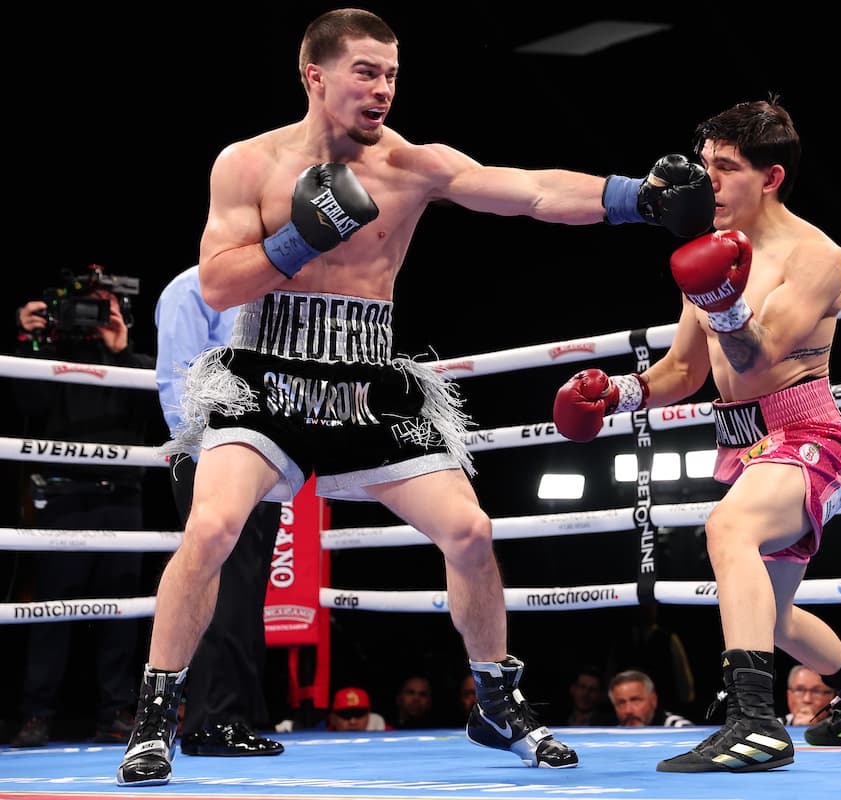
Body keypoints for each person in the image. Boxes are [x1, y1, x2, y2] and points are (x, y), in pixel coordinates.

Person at [116, 7, 714, 787]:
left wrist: (637, 197)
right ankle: (156, 719)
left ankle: (497, 700)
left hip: (368, 383)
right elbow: (219, 280)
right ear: (315, 75)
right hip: (266, 375)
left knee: (469, 530)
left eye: (393, 74)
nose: (383, 89)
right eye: (366, 71)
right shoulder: (247, 164)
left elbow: (528, 191)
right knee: (213, 526)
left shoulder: (411, 164)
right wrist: (300, 236)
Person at [553, 96, 841, 773]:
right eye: (704, 165)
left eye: (724, 168)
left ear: (770, 177)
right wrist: (617, 394)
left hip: (808, 437)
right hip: (746, 446)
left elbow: (762, 354)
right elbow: (686, 371)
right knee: (770, 619)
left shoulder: (815, 255)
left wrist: (720, 297)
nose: (705, 181)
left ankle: (754, 723)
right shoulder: (712, 251)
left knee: (728, 530)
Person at [9, 266, 156, 748]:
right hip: (64, 494)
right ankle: (36, 714)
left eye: (104, 305)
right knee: (52, 612)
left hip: (122, 496)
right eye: (86, 305)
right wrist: (35, 339)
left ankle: (116, 712)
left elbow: (160, 409)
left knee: (120, 615)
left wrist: (121, 350)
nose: (92, 315)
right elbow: (27, 398)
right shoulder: (50, 353)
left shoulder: (131, 359)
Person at [154, 265, 285, 758]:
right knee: (219, 585)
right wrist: (206, 452)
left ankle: (236, 716)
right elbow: (178, 380)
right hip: (208, 454)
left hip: (265, 455)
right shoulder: (189, 289)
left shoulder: (270, 289)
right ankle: (212, 722)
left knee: (247, 588)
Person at [608, 670, 693, 727]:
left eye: (635, 700)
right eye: (621, 703)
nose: (628, 710)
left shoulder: (679, 728)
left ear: (653, 700)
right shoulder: (610, 735)